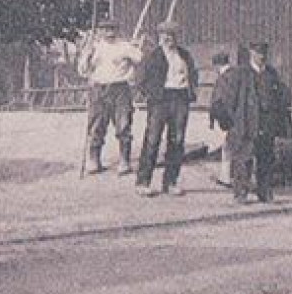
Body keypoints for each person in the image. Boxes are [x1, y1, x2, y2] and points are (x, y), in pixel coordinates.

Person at [223, 42, 291, 204]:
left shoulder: (271, 74)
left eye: (263, 54)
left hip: (266, 123)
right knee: (243, 159)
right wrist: (235, 122)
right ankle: (241, 193)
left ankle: (265, 193)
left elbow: (279, 98)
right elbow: (230, 100)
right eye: (258, 53)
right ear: (251, 54)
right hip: (247, 123)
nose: (261, 57)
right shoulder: (241, 73)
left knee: (266, 159)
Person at [135, 22, 198, 197]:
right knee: (153, 139)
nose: (169, 38)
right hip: (160, 100)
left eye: (172, 35)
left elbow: (193, 74)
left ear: (177, 37)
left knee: (177, 140)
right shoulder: (152, 56)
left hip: (180, 98)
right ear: (159, 36)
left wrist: (191, 90)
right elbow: (140, 78)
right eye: (165, 35)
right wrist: (150, 95)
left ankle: (170, 182)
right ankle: (143, 181)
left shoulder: (184, 55)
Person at [78, 20, 143, 175]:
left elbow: (140, 59)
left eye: (112, 29)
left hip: (120, 88)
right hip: (98, 89)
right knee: (96, 125)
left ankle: (125, 161)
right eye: (105, 29)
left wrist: (135, 47)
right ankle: (94, 160)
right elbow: (82, 70)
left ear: (117, 30)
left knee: (123, 125)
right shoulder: (94, 47)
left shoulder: (124, 46)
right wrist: (86, 54)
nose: (109, 32)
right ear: (99, 31)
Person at [207, 50, 234, 187]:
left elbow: (219, 101)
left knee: (227, 148)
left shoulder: (223, 78)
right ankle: (228, 176)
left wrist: (219, 121)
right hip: (236, 118)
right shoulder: (235, 75)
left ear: (217, 65)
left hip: (227, 119)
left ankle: (226, 177)